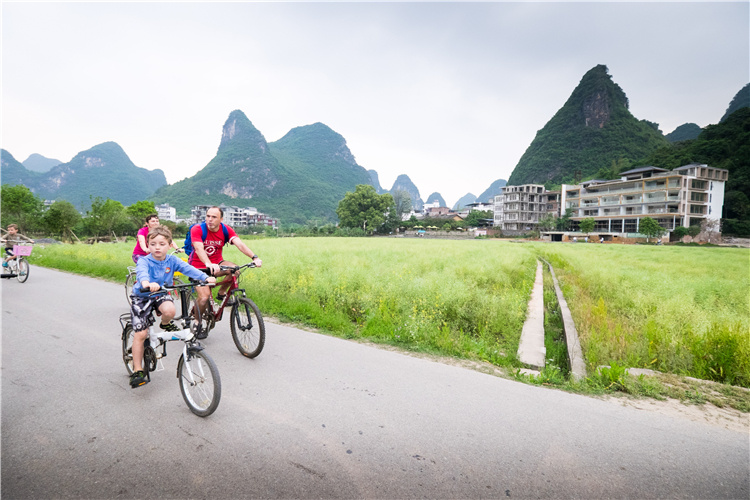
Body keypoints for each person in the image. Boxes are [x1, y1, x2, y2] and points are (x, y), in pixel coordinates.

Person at [129, 225, 216, 388]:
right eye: (153, 243)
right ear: (148, 245)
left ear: (169, 246)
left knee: (170, 311)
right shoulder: (144, 260)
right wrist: (147, 283)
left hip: (161, 293)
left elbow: (189, 269)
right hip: (142, 295)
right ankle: (137, 370)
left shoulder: (172, 260)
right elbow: (142, 273)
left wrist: (205, 277)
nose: (157, 247)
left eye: (162, 244)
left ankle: (165, 323)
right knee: (141, 333)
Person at [188, 206, 262, 320]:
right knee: (203, 298)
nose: (210, 219)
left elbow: (240, 244)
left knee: (235, 270)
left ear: (221, 219)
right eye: (208, 216)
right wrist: (208, 263)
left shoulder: (225, 230)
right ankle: (197, 323)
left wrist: (254, 257)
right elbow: (199, 249)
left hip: (217, 264)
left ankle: (221, 293)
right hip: (198, 268)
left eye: (214, 217)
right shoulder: (197, 229)